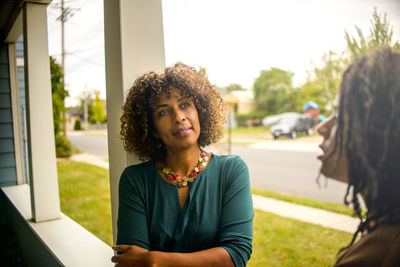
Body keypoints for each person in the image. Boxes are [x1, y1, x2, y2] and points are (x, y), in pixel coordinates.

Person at [111, 63, 253, 267]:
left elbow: (235, 256)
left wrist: (153, 259)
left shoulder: (231, 171)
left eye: (185, 104)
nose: (179, 117)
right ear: (152, 129)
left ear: (199, 112)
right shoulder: (135, 180)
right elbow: (130, 263)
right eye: (163, 113)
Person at [317, 47, 400, 266]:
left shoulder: (381, 253)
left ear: (378, 132)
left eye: (339, 116)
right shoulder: (385, 226)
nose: (321, 128)